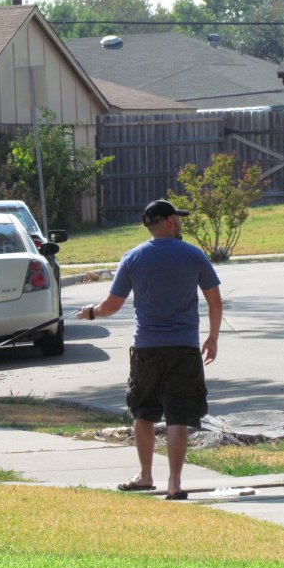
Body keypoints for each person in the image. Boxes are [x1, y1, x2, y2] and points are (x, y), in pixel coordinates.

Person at [76, 199, 222, 500]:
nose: (181, 223)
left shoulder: (133, 258)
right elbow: (214, 301)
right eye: (177, 219)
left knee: (144, 413)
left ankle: (145, 475)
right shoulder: (194, 255)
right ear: (168, 222)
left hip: (147, 349)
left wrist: (91, 312)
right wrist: (212, 337)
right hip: (184, 348)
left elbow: (112, 305)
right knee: (178, 416)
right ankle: (175, 483)